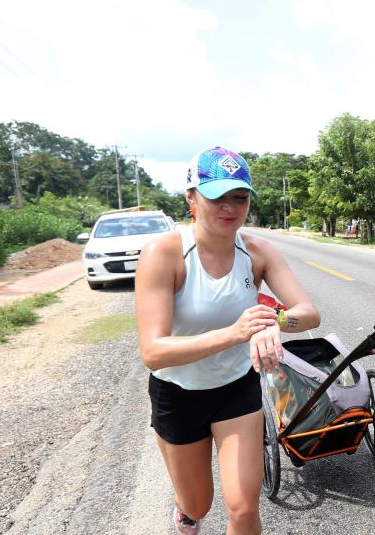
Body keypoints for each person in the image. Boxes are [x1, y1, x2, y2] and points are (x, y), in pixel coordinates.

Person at [135, 146, 320, 535]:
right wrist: (234, 333)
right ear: (191, 198)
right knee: (197, 504)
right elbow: (153, 352)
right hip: (178, 393)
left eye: (239, 197)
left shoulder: (256, 251)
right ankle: (184, 514)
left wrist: (275, 319)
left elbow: (309, 312)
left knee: (241, 507)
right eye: (216, 196)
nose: (229, 207)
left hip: (236, 389)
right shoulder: (164, 254)